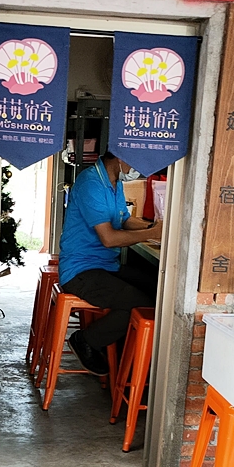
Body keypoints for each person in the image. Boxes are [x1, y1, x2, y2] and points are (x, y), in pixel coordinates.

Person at [58, 151, 163, 376]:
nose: (138, 169)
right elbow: (109, 238)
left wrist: (152, 228)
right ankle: (85, 340)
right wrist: (152, 233)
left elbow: (124, 219)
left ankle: (131, 356)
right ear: (120, 156)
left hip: (106, 265)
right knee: (136, 301)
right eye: (136, 161)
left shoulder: (113, 183)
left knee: (158, 290)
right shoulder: (91, 183)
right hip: (80, 270)